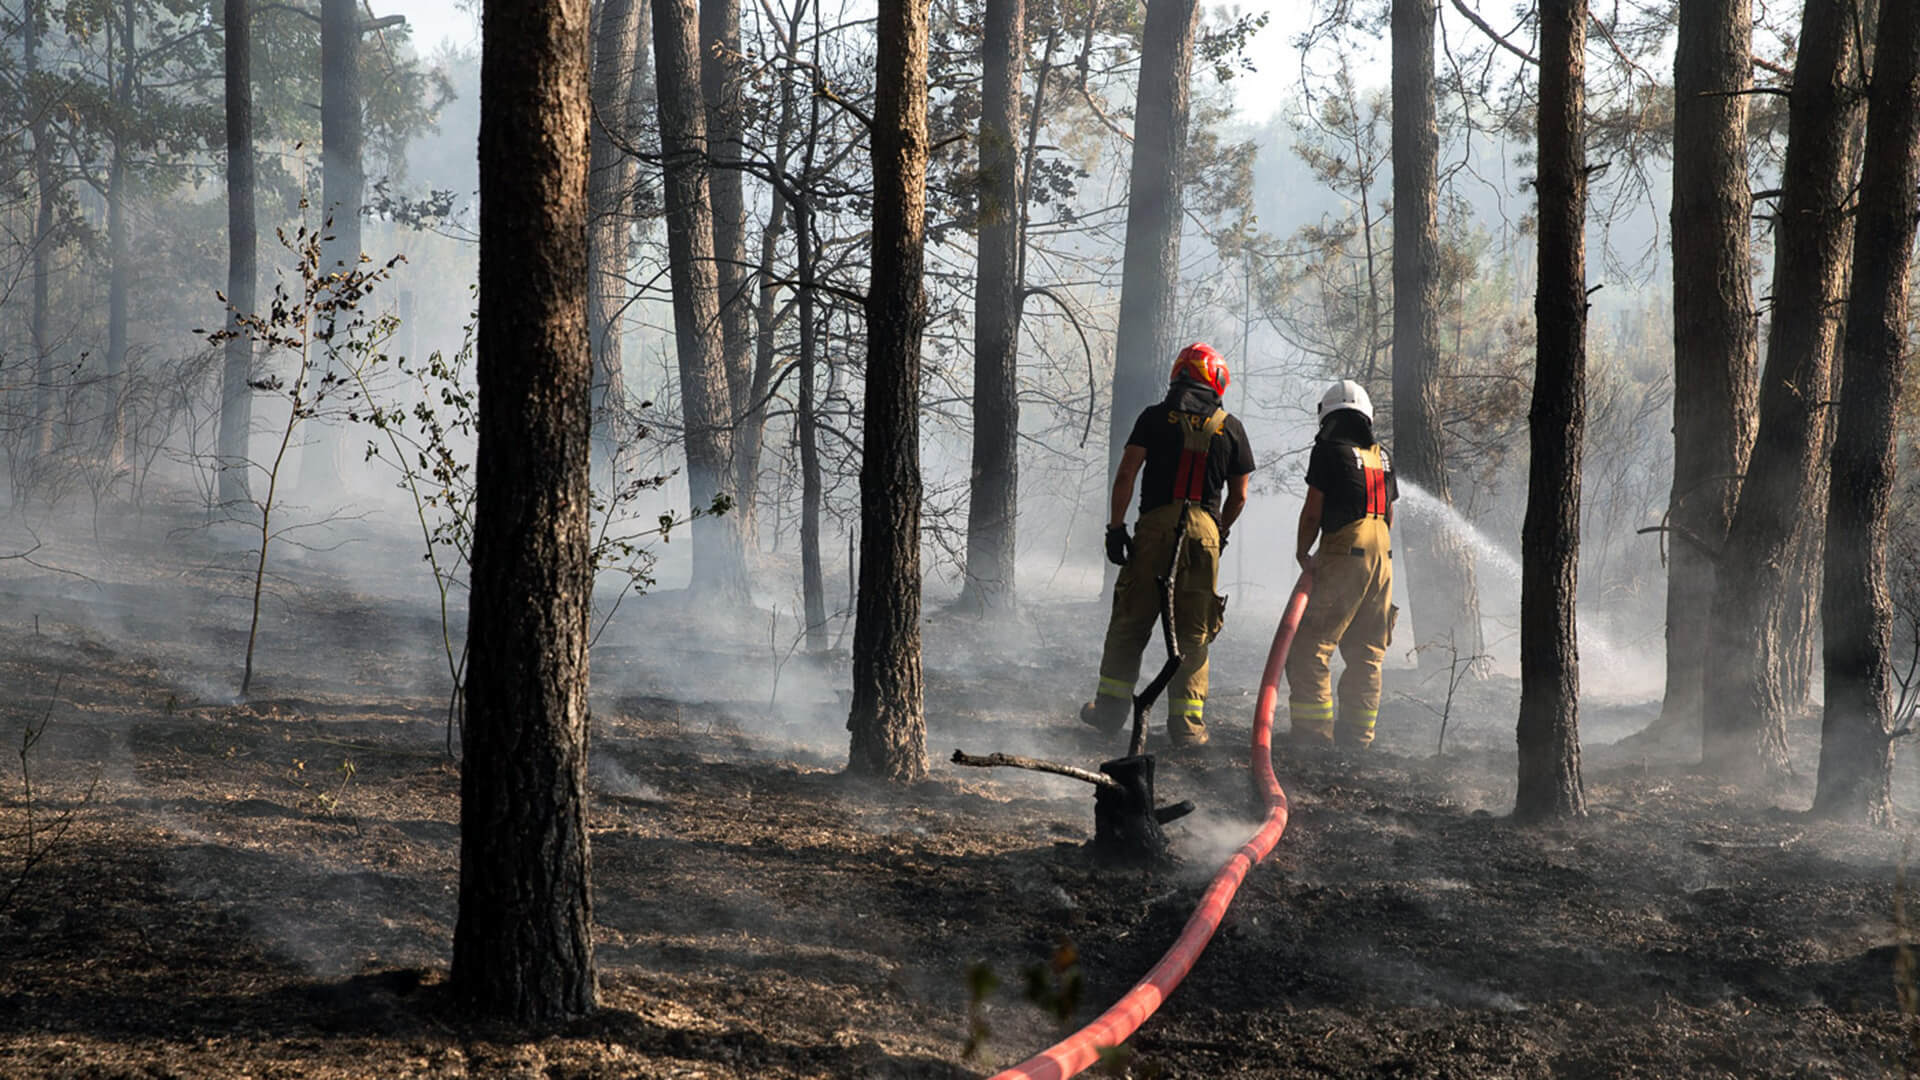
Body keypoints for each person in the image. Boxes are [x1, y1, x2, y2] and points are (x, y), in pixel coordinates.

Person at [1078, 343, 1255, 749]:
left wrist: (1116, 527)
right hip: (1204, 534)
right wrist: (1219, 532)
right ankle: (1187, 727)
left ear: (1178, 375)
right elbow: (1240, 495)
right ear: (1217, 382)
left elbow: (1127, 473)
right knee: (1195, 633)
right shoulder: (1232, 427)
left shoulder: (1154, 417)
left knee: (1130, 621)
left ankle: (1109, 712)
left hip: (1155, 528)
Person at [1286, 379, 1398, 748]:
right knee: (1367, 653)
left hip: (1346, 555)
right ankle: (1358, 737)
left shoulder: (1328, 451)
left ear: (1327, 417)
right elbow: (1388, 516)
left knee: (1309, 648)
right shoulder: (1383, 456)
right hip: (1382, 559)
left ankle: (1313, 737)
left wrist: (1304, 553)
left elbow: (1312, 512)